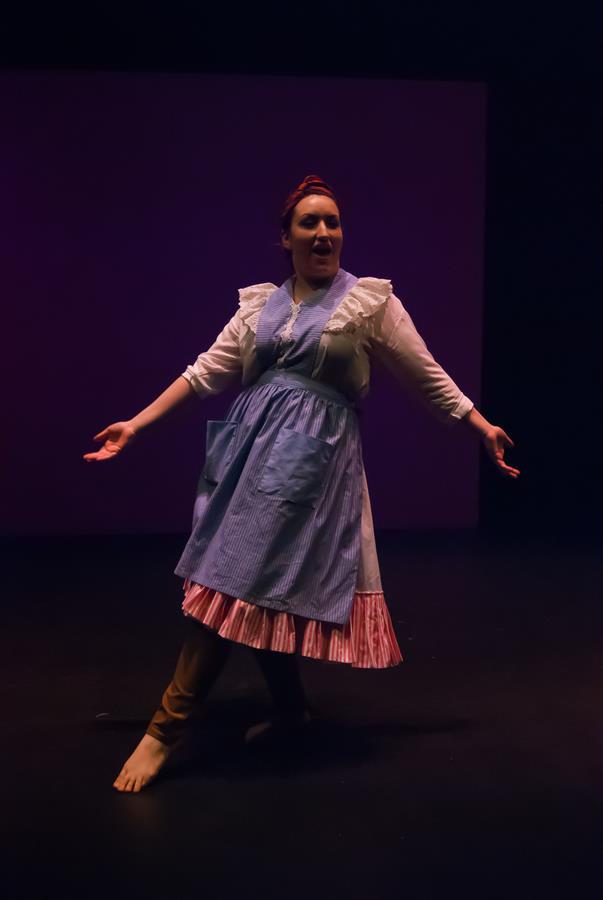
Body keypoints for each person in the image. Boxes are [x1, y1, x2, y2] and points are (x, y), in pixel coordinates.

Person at [84, 175, 520, 793]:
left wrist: (480, 425)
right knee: (255, 585)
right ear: (285, 237)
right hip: (249, 456)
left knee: (234, 583)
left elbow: (427, 373)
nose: (324, 233)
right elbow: (205, 371)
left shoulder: (368, 303)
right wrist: (136, 425)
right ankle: (290, 712)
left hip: (312, 468)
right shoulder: (259, 306)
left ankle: (164, 729)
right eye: (310, 223)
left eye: (333, 222)